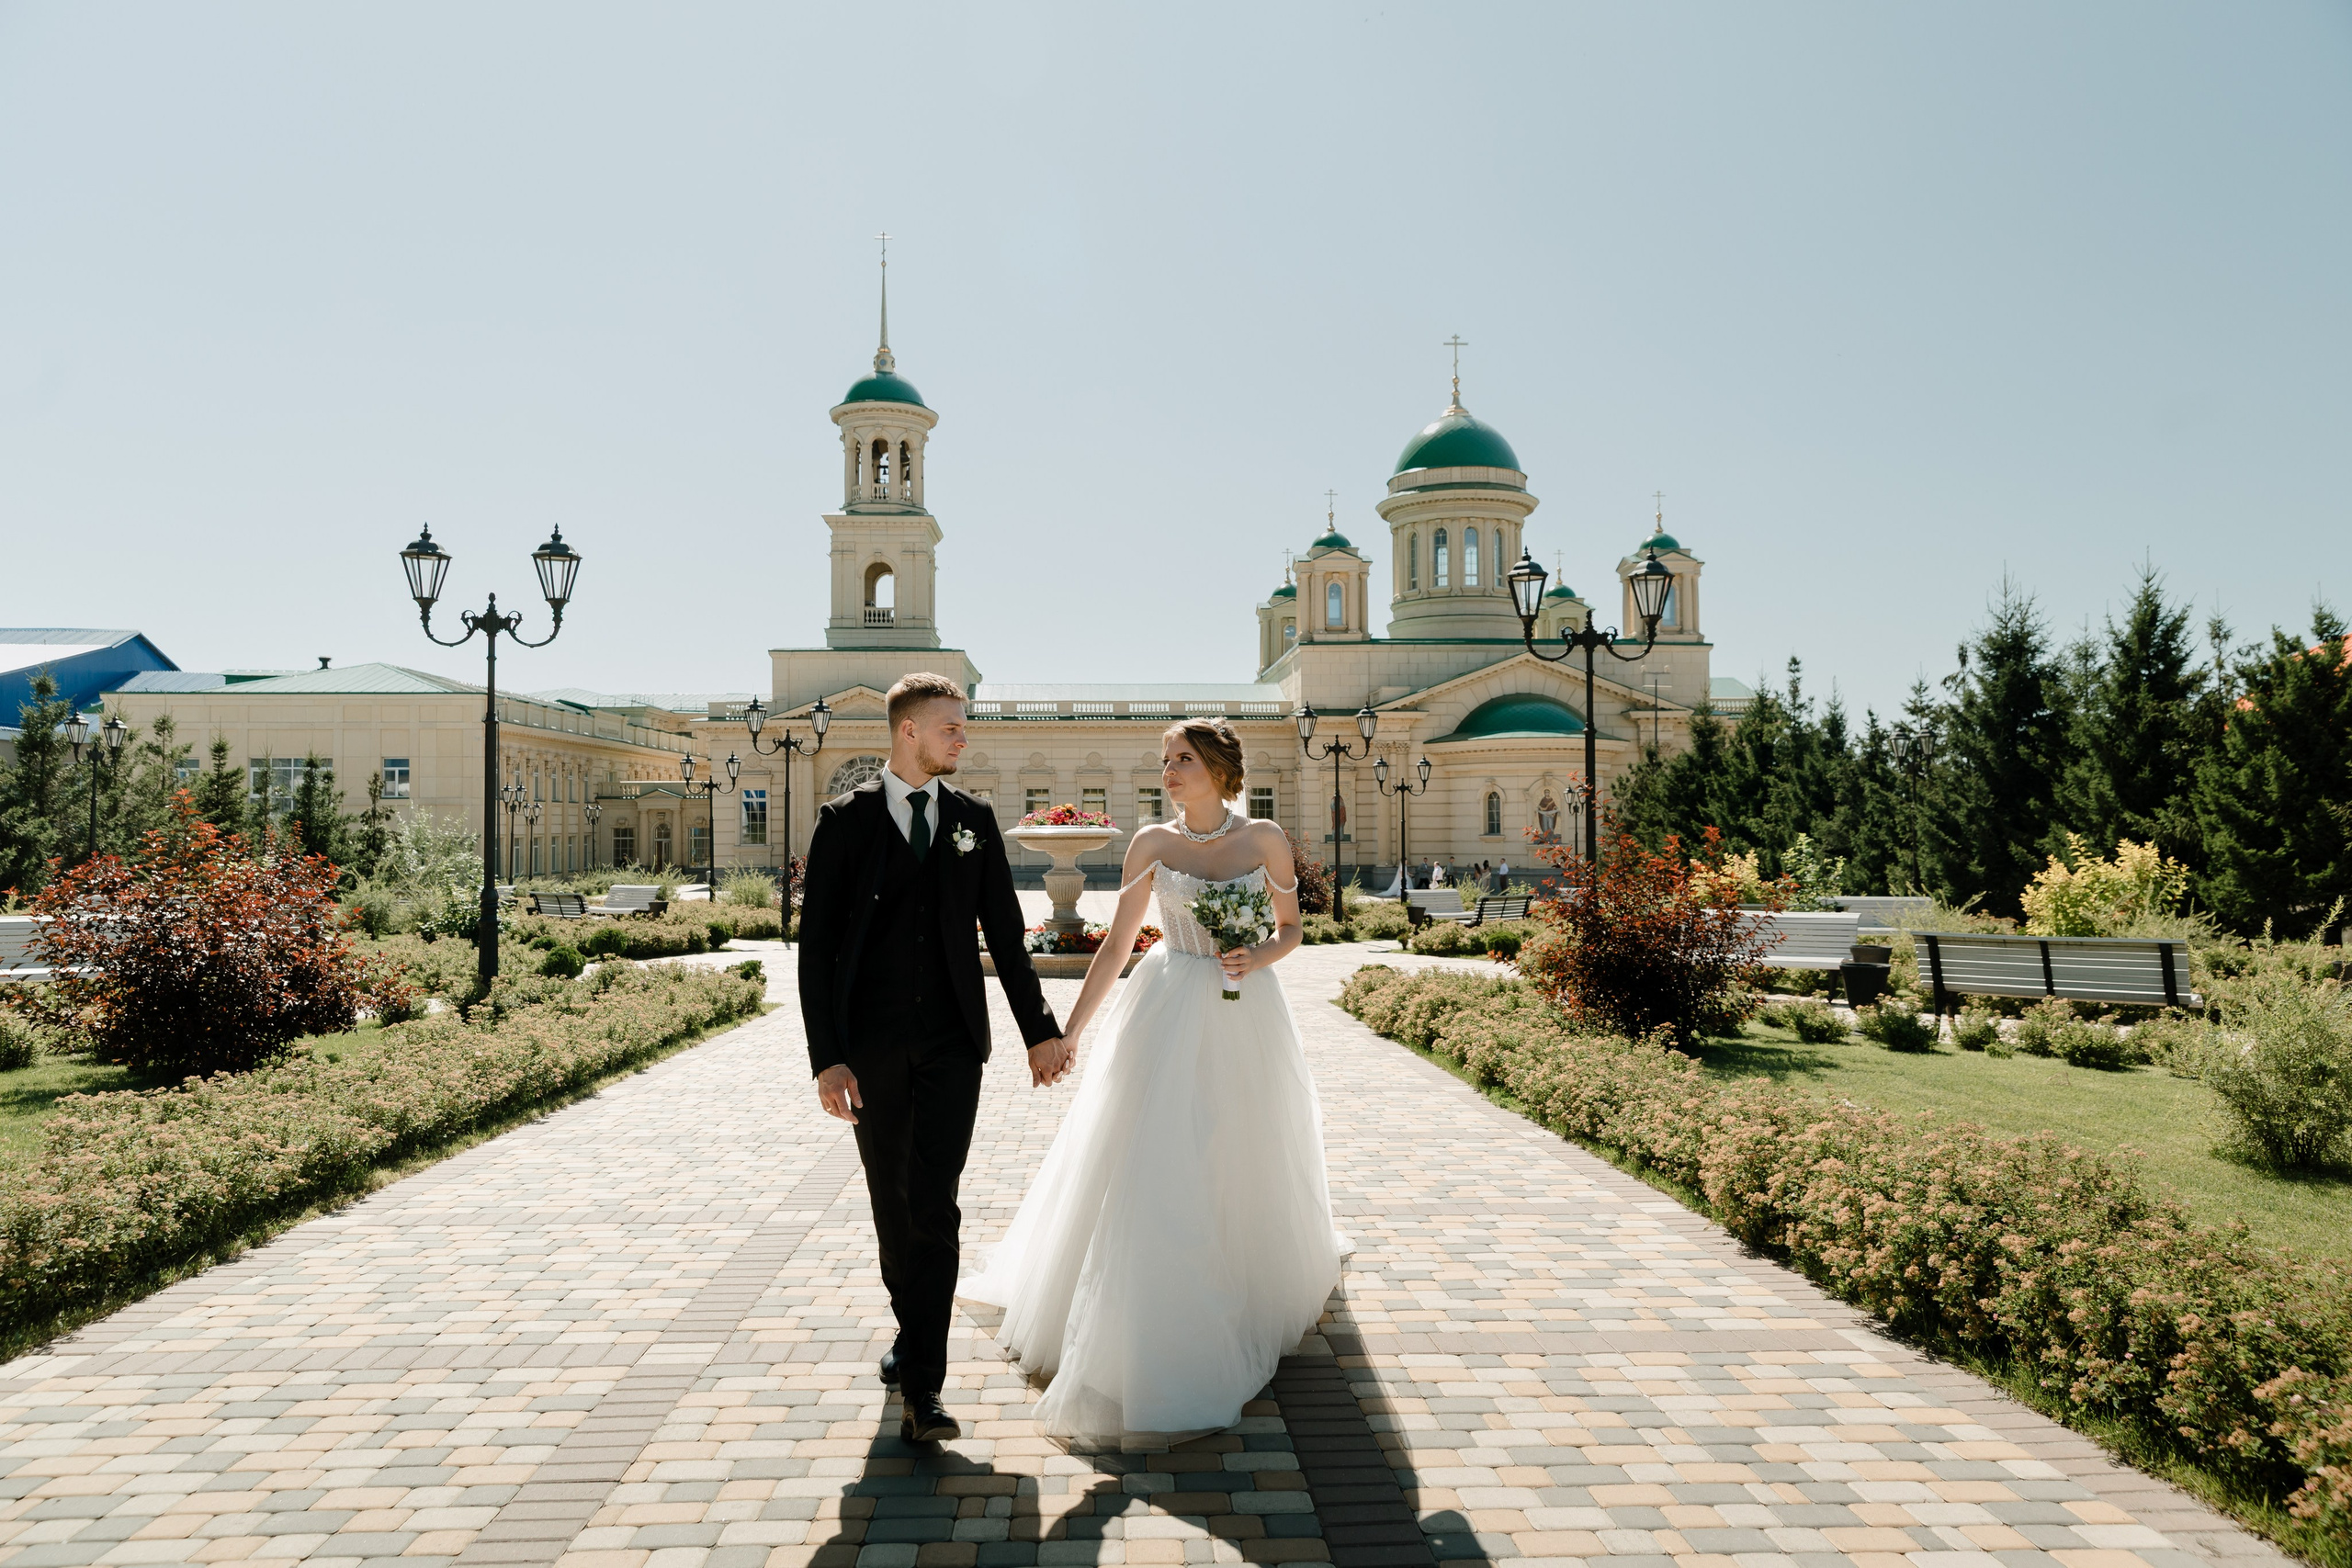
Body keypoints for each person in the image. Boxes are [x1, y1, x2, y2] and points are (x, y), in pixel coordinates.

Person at [965, 717, 1344, 1443]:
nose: (1169, 770)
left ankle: (1239, 1285)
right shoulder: (1150, 842)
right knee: (1159, 1152)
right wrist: (1070, 1032)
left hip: (1244, 1009)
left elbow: (1292, 927)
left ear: (1220, 770)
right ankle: (1151, 1305)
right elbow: (1116, 945)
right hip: (1166, 1004)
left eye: (1183, 759)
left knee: (1235, 1146)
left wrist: (1258, 954)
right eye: (1166, 759)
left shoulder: (1265, 838)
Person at [799, 672, 1069, 1444]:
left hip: (954, 1045)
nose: (962, 737)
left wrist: (1039, 1030)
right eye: (950, 726)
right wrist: (827, 1058)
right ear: (908, 730)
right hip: (871, 1050)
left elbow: (1006, 935)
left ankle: (925, 1385)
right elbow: (815, 950)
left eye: (963, 724)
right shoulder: (844, 822)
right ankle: (913, 1329)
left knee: (935, 1205)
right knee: (895, 1206)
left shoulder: (972, 820)